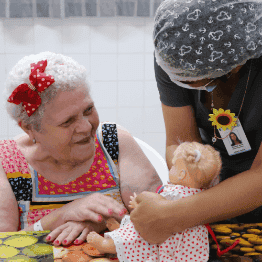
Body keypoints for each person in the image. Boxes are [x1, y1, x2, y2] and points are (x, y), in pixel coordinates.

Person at [130, 0, 262, 249]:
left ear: (234, 66)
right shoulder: (175, 52)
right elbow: (178, 141)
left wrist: (172, 215)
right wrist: (188, 179)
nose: (181, 84)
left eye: (192, 81)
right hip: (208, 192)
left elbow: (259, 179)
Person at [0, 51, 162, 247]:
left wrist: (104, 222)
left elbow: (162, 220)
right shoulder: (7, 163)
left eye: (88, 110)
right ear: (29, 128)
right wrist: (60, 216)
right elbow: (3, 247)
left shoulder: (114, 143)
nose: (86, 127)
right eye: (67, 121)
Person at [86, 142, 222, 262]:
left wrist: (138, 205)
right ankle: (120, 232)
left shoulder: (177, 193)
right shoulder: (199, 194)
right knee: (138, 225)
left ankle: (108, 245)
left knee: (139, 237)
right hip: (184, 235)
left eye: (173, 166)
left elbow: (159, 211)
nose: (171, 169)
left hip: (167, 233)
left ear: (181, 174)